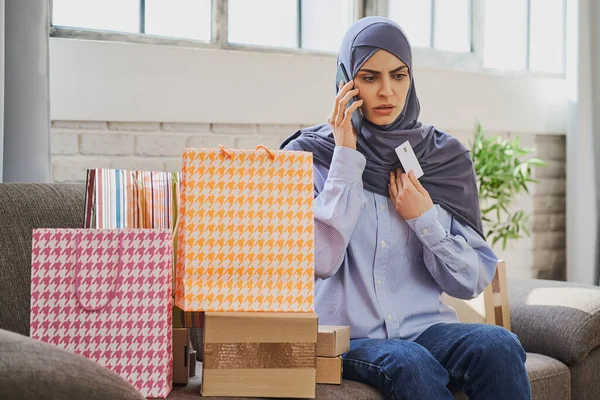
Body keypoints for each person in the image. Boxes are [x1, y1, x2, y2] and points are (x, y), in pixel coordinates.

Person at [281, 16, 531, 399]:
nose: (387, 91)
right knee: (411, 361)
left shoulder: (442, 158)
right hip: (348, 337)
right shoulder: (309, 156)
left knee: (499, 345)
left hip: (427, 328)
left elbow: (470, 282)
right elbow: (318, 259)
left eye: (399, 75)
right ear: (345, 80)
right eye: (369, 77)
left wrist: (424, 220)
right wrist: (346, 157)